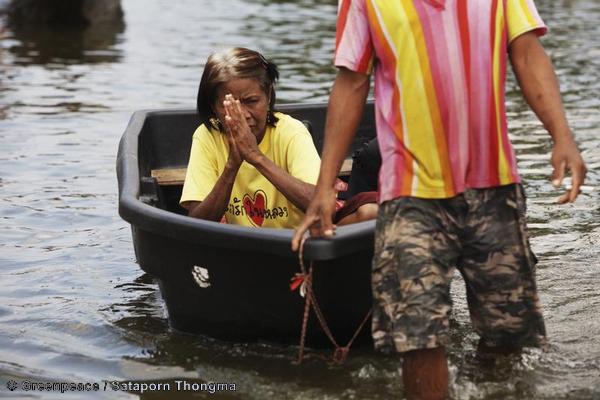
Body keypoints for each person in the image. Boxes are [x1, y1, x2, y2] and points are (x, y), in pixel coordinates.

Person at [292, 1, 587, 399]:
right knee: (418, 333)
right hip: (410, 192)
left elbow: (527, 52)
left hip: (493, 186)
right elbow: (351, 81)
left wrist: (562, 135)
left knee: (507, 334)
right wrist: (325, 186)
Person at [180, 47, 377, 229]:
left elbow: (320, 205)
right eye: (230, 105)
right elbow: (197, 225)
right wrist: (232, 165)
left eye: (252, 101)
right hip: (240, 243)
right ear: (214, 107)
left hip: (297, 239)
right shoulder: (207, 137)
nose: (243, 114)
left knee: (371, 212)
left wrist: (256, 157)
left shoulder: (290, 131)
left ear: (268, 96)